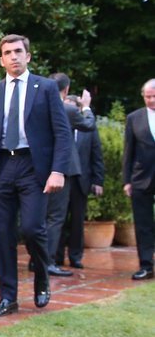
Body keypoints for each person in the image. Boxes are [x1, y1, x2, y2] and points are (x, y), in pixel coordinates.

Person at [0, 35, 72, 317]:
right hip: (1, 168)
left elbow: (62, 133)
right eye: (8, 53)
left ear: (28, 56)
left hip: (34, 168)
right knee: (2, 234)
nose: (13, 56)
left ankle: (41, 274)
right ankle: (8, 297)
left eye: (18, 51)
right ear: (1, 59)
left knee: (31, 228)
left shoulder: (47, 88)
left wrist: (58, 170)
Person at [42, 73, 95, 276]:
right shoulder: (67, 109)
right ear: (66, 90)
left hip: (40, 166)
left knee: (43, 216)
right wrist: (87, 106)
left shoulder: (38, 107)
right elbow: (89, 125)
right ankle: (47, 262)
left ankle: (37, 259)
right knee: (56, 217)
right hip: (61, 169)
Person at [54, 107, 104, 269]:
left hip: (81, 181)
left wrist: (98, 180)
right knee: (57, 218)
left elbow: (96, 155)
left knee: (77, 221)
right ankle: (56, 256)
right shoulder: (59, 126)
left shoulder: (88, 132)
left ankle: (75, 256)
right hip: (61, 179)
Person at [123, 78, 155, 281]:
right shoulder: (134, 118)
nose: (151, 100)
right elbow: (128, 151)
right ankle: (146, 265)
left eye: (154, 96)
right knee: (142, 224)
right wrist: (127, 180)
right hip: (141, 178)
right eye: (148, 96)